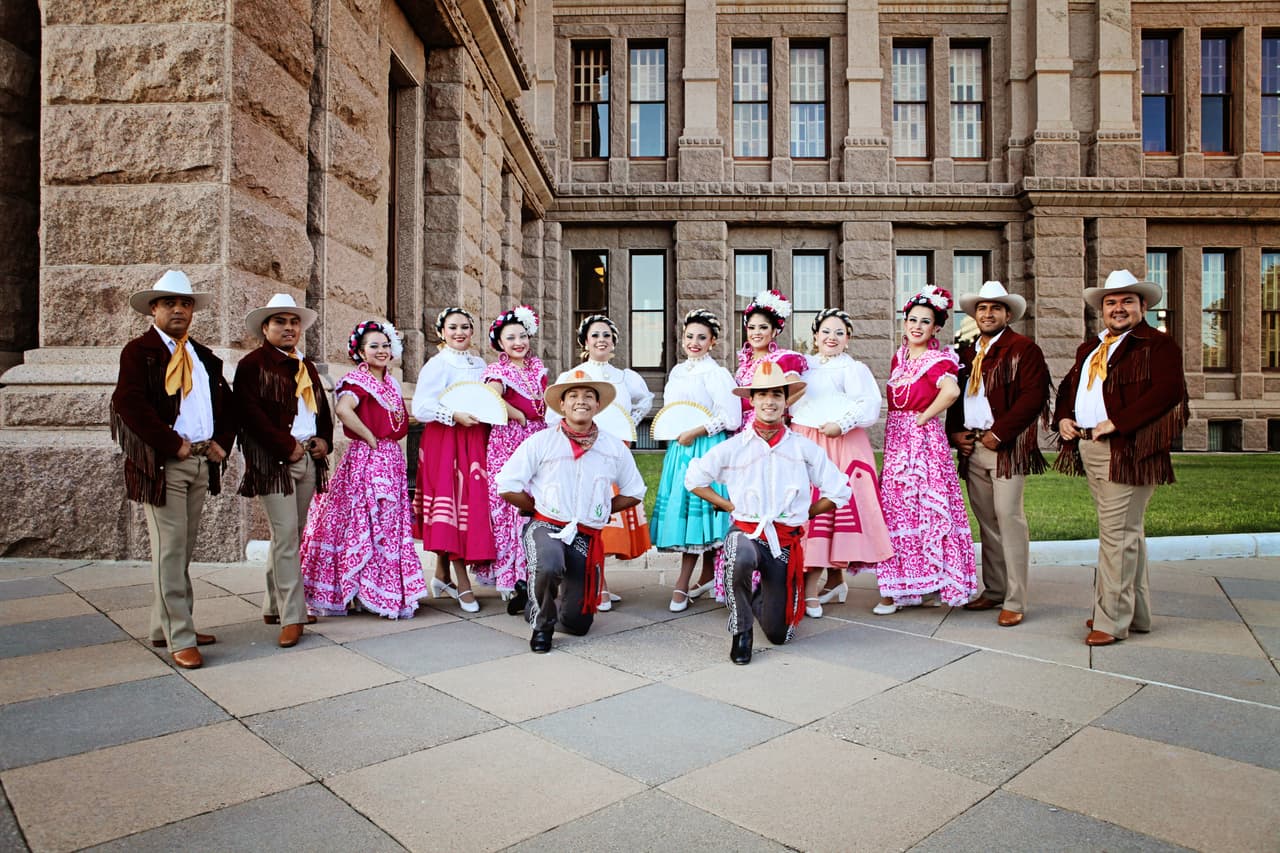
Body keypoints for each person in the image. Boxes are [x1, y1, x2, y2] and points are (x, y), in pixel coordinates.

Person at [1054, 269, 1188, 646]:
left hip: (1128, 451)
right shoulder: (1092, 347)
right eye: (1111, 302)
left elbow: (1168, 391)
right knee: (1128, 535)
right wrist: (1065, 416)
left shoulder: (1157, 346)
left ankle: (1110, 620)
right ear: (1101, 308)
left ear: (1143, 306)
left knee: (1116, 536)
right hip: (1090, 447)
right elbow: (1069, 386)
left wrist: (1119, 422)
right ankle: (1137, 614)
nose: (1118, 308)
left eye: (1127, 300)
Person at [686, 361, 852, 664]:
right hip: (747, 532)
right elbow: (694, 479)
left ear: (786, 400)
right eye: (762, 395)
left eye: (776, 394)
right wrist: (728, 506)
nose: (769, 401)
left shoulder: (803, 447)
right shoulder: (735, 446)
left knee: (779, 635)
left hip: (784, 539)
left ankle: (762, 595)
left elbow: (840, 489)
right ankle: (742, 631)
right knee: (738, 555)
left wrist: (806, 514)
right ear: (752, 400)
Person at [110, 270, 235, 670]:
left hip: (200, 462)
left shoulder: (202, 356)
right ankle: (180, 634)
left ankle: (165, 625)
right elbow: (128, 406)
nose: (179, 309)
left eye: (185, 303)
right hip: (164, 464)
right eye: (169, 303)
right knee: (169, 550)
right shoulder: (139, 352)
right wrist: (171, 443)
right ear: (154, 309)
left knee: (180, 550)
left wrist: (221, 443)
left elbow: (227, 406)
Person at [496, 369, 646, 653]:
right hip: (547, 526)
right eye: (573, 396)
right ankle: (542, 627)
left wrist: (599, 511)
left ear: (598, 405)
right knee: (549, 564)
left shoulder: (612, 447)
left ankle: (530, 597)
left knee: (577, 624)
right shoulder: (541, 442)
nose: (581, 401)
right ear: (561, 405)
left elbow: (635, 491)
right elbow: (506, 484)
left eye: (589, 396)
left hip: (585, 533)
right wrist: (535, 510)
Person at [301, 321, 427, 619]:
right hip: (369, 458)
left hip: (390, 458)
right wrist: (371, 437)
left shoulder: (389, 382)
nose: (381, 351)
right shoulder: (358, 381)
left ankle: (375, 589)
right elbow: (343, 409)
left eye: (385, 345)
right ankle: (360, 588)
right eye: (374, 346)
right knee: (368, 519)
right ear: (360, 351)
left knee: (386, 523)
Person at [947, 281, 1051, 628]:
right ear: (974, 314)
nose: (987, 314)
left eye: (995, 308)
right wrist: (955, 433)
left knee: (1009, 518)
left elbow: (1032, 397)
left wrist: (1000, 433)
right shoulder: (965, 352)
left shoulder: (1023, 348)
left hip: (1005, 448)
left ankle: (1015, 598)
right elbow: (954, 397)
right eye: (982, 308)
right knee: (987, 522)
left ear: (1007, 314)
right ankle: (993, 589)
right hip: (972, 447)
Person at [234, 293, 333, 648]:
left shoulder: (304, 365)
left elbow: (321, 408)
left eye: (294, 322)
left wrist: (324, 439)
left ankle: (272, 603)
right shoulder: (252, 365)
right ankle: (294, 614)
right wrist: (283, 445)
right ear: (265, 328)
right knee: (287, 534)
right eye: (280, 322)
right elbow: (249, 415)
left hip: (307, 456)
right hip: (274, 462)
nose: (289, 328)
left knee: (291, 533)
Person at [872, 286, 977, 614]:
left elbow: (950, 391)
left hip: (923, 441)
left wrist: (923, 417)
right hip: (897, 441)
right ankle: (903, 586)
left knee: (925, 509)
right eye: (912, 320)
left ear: (936, 328)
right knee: (897, 509)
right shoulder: (899, 359)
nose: (916, 325)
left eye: (925, 321)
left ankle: (932, 579)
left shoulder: (939, 360)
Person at [796, 308, 893, 617]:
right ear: (814, 337)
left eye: (839, 332)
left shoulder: (853, 369)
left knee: (832, 506)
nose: (832, 337)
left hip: (842, 440)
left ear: (848, 339)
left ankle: (811, 589)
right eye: (826, 331)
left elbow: (869, 403)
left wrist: (843, 423)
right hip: (807, 438)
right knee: (806, 506)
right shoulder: (803, 367)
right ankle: (834, 582)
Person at [553, 314, 654, 608]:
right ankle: (598, 584)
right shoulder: (574, 375)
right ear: (585, 341)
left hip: (614, 450)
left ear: (614, 344)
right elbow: (554, 414)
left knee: (607, 519)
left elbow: (644, 400)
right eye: (595, 335)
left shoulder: (624, 377)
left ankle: (598, 577)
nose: (601, 340)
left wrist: (629, 424)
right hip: (583, 451)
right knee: (587, 514)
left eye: (607, 336)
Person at [649, 310, 742, 611]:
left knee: (704, 513)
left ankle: (682, 582)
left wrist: (698, 430)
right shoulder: (677, 372)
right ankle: (706, 576)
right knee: (686, 511)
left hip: (707, 446)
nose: (694, 342)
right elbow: (673, 411)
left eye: (702, 337)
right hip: (681, 448)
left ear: (713, 342)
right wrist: (679, 432)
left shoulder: (717, 374)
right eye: (690, 336)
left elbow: (731, 416)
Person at [410, 307, 494, 614]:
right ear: (441, 332)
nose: (459, 332)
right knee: (455, 505)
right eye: (452, 327)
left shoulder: (481, 363)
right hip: (446, 439)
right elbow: (421, 407)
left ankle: (441, 574)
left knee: (472, 504)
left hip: (475, 438)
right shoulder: (437, 364)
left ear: (473, 332)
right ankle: (462, 582)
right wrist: (453, 415)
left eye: (465, 327)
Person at [479, 305, 547, 611]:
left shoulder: (537, 368)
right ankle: (511, 578)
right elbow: (490, 396)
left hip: (537, 437)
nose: (518, 341)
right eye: (511, 337)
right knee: (510, 506)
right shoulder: (498, 371)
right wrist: (514, 412)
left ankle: (532, 571)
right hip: (509, 440)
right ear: (500, 343)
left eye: (522, 335)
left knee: (536, 502)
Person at [735, 290, 807, 430]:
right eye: (751, 327)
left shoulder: (783, 359)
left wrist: (773, 413)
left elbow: (799, 390)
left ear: (774, 331)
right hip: (740, 430)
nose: (756, 332)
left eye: (763, 327)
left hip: (766, 428)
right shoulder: (744, 364)